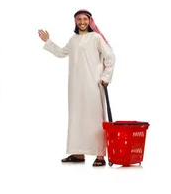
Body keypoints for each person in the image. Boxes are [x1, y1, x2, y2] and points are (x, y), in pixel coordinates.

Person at [37, 9, 116, 167]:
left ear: (89, 21)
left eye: (85, 19)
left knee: (95, 118)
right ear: (75, 22)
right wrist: (48, 41)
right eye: (79, 19)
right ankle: (78, 153)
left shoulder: (96, 37)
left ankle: (100, 155)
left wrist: (106, 77)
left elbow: (111, 56)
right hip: (75, 86)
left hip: (93, 85)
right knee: (77, 118)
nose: (82, 22)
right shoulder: (73, 40)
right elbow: (60, 53)